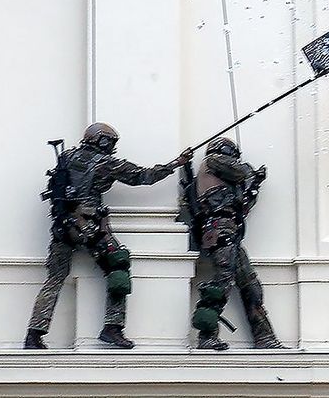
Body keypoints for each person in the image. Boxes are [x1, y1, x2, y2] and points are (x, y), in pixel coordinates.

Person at [25, 122, 192, 349]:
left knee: (54, 279)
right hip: (90, 227)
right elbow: (143, 176)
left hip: (63, 227)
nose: (112, 147)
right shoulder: (105, 163)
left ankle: (34, 334)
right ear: (102, 141)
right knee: (118, 266)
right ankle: (112, 328)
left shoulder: (68, 157)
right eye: (110, 142)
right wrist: (176, 163)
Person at [189, 137, 284, 350]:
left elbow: (242, 206)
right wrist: (251, 174)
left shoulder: (222, 177)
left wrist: (254, 186)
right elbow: (240, 171)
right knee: (222, 281)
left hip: (229, 232)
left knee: (250, 284)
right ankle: (206, 334)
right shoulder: (213, 161)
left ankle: (264, 336)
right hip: (220, 231)